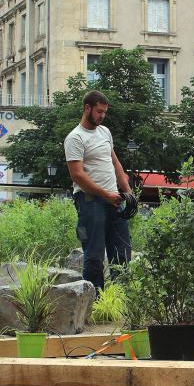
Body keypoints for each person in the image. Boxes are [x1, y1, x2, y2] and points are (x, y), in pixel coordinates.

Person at [64, 90, 132, 290]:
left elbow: (115, 163)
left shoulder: (105, 132)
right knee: (94, 257)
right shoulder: (75, 138)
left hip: (114, 200)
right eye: (99, 111)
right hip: (90, 202)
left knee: (122, 253)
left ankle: (120, 301)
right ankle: (95, 303)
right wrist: (106, 194)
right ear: (87, 108)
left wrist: (128, 192)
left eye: (105, 112)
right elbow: (77, 175)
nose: (102, 115)